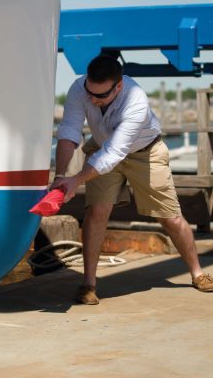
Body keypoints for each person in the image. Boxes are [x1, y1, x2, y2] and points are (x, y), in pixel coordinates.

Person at [52, 55, 213, 305]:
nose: (93, 99)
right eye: (90, 92)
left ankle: (197, 273)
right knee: (96, 211)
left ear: (118, 87)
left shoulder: (136, 98)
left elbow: (114, 154)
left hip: (144, 152)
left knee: (170, 217)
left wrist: (78, 180)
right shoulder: (79, 88)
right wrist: (61, 175)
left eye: (100, 96)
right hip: (103, 147)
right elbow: (70, 130)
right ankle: (88, 285)